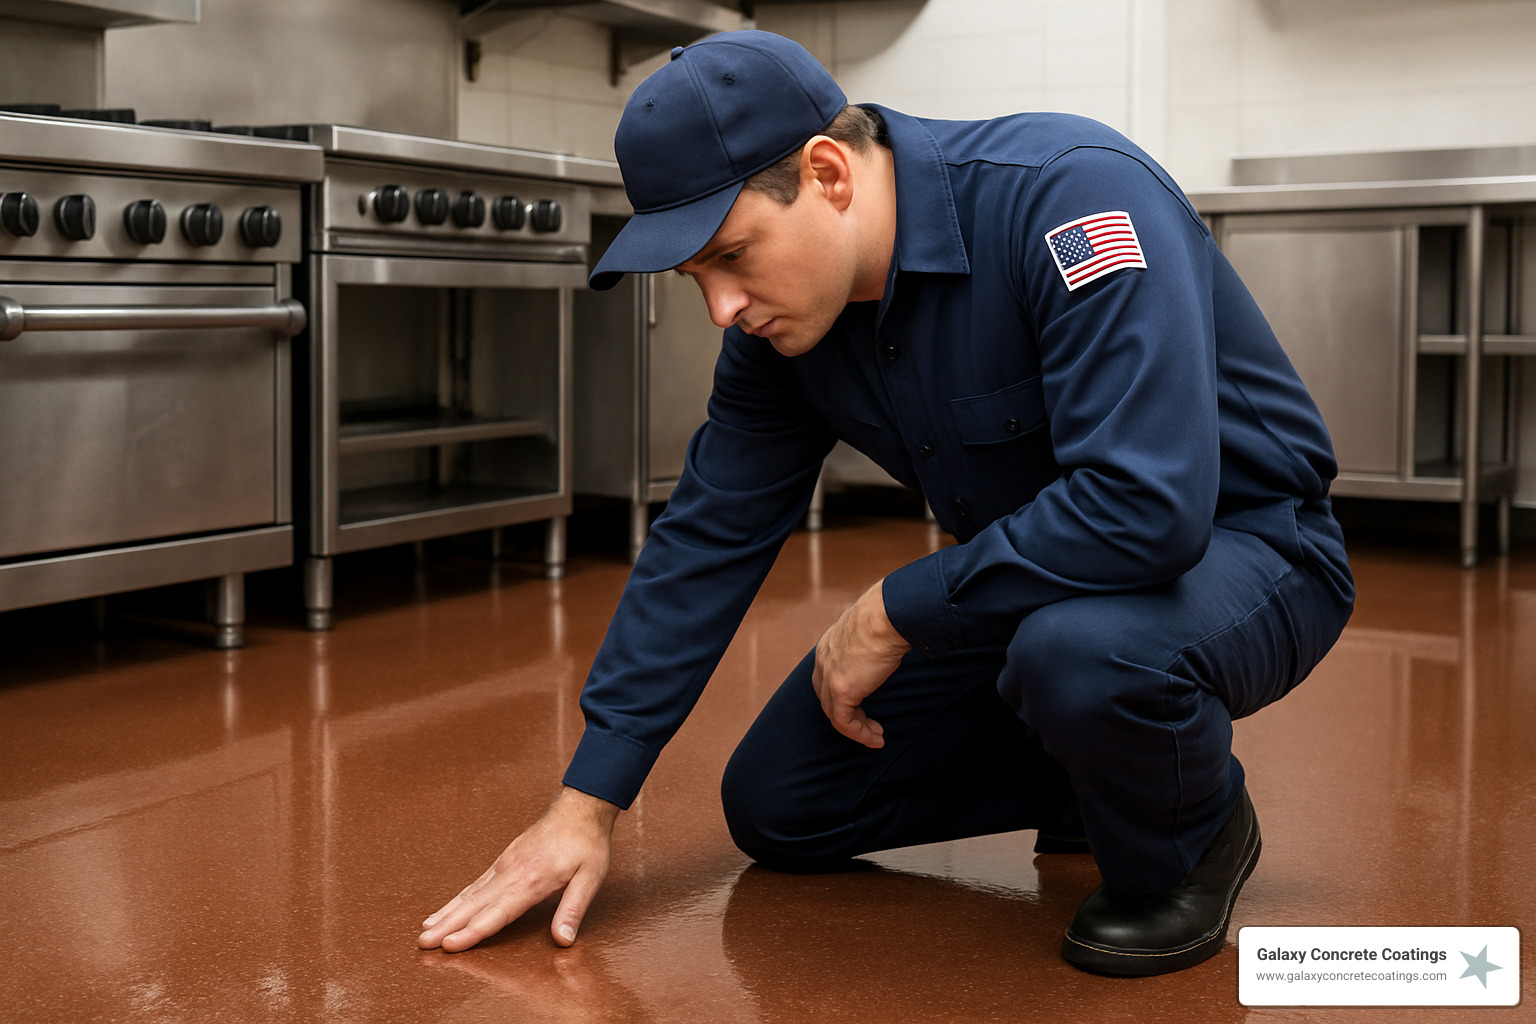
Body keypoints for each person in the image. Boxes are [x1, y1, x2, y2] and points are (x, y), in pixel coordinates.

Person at [418, 30, 1354, 976]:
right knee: (783, 802)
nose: (722, 309)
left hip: (1244, 551)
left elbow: (1146, 506)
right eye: (695, 276)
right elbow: (707, 538)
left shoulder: (1071, 198)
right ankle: (1096, 769)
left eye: (733, 255)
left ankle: (1193, 832)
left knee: (1083, 656)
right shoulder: (783, 336)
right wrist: (587, 804)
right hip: (1037, 585)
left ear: (828, 173)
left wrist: (896, 608)